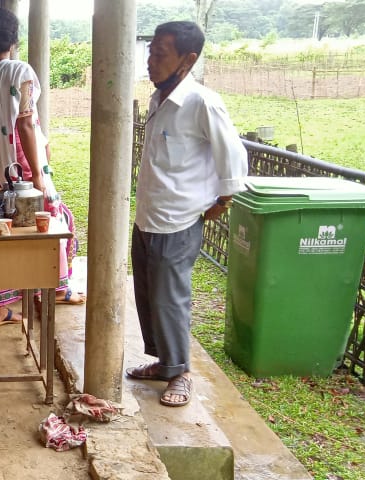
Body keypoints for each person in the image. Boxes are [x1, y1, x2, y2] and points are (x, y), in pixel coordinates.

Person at [126, 21, 248, 408]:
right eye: (150, 53)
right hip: (148, 215)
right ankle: (165, 363)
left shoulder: (201, 102)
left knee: (170, 299)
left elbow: (233, 158)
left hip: (177, 221)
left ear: (187, 59)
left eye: (160, 54)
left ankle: (180, 372)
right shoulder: (158, 99)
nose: (150, 61)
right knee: (148, 294)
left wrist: (221, 202)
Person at [0, 8, 82, 327]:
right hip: (19, 164)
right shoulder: (20, 72)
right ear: (14, 40)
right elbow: (26, 125)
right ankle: (53, 288)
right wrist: (39, 176)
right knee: (50, 220)